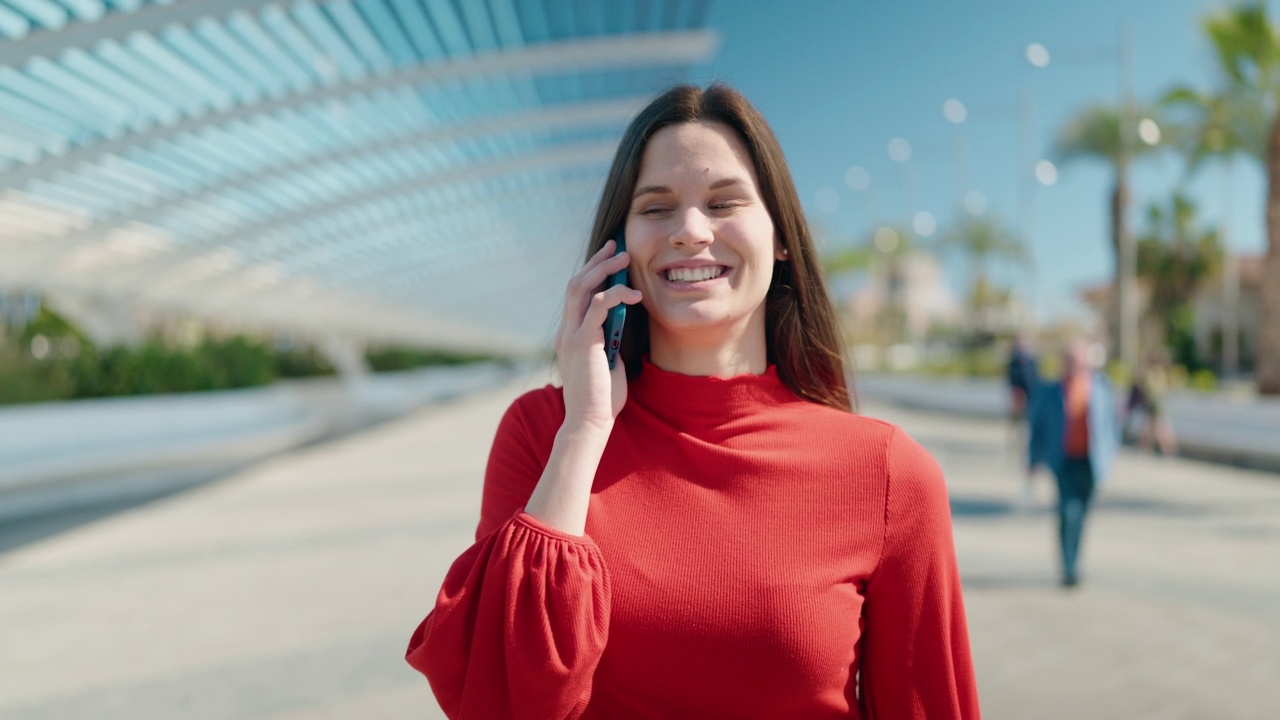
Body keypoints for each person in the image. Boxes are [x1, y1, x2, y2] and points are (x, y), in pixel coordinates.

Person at [405, 84, 979, 718]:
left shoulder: (890, 474)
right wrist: (586, 426)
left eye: (725, 201)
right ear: (618, 249)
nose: (690, 231)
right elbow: (499, 700)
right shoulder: (543, 433)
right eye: (656, 207)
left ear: (782, 238)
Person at [1027, 341, 1120, 588]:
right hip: (1064, 460)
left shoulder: (1100, 388)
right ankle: (1069, 567)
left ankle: (1076, 559)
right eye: (1070, 360)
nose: (1075, 365)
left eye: (1079, 360)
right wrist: (1033, 460)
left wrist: (1109, 457)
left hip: (1090, 461)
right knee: (1068, 512)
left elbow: (1111, 426)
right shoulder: (1050, 391)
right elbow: (1036, 427)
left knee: (1082, 513)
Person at [1006, 332, 1040, 505]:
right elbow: (1011, 383)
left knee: (1029, 444)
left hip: (1031, 407)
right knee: (1020, 441)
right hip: (1019, 407)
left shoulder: (1032, 361)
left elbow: (1035, 382)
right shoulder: (1013, 362)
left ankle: (1030, 477)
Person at [1125, 356, 1178, 456]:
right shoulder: (1160, 372)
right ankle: (1146, 447)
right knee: (1152, 427)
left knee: (1158, 428)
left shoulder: (1155, 373)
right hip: (1156, 404)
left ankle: (1166, 450)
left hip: (1155, 404)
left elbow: (1152, 390)